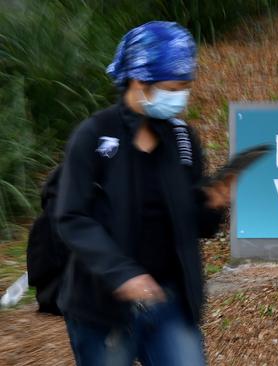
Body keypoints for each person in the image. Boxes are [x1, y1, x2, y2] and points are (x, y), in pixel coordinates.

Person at [54, 21, 232, 365]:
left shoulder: (182, 139)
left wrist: (214, 203)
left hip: (168, 302)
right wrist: (123, 274)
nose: (181, 95)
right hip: (101, 309)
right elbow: (71, 217)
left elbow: (197, 225)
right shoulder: (93, 136)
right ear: (139, 82)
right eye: (174, 86)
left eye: (186, 85)